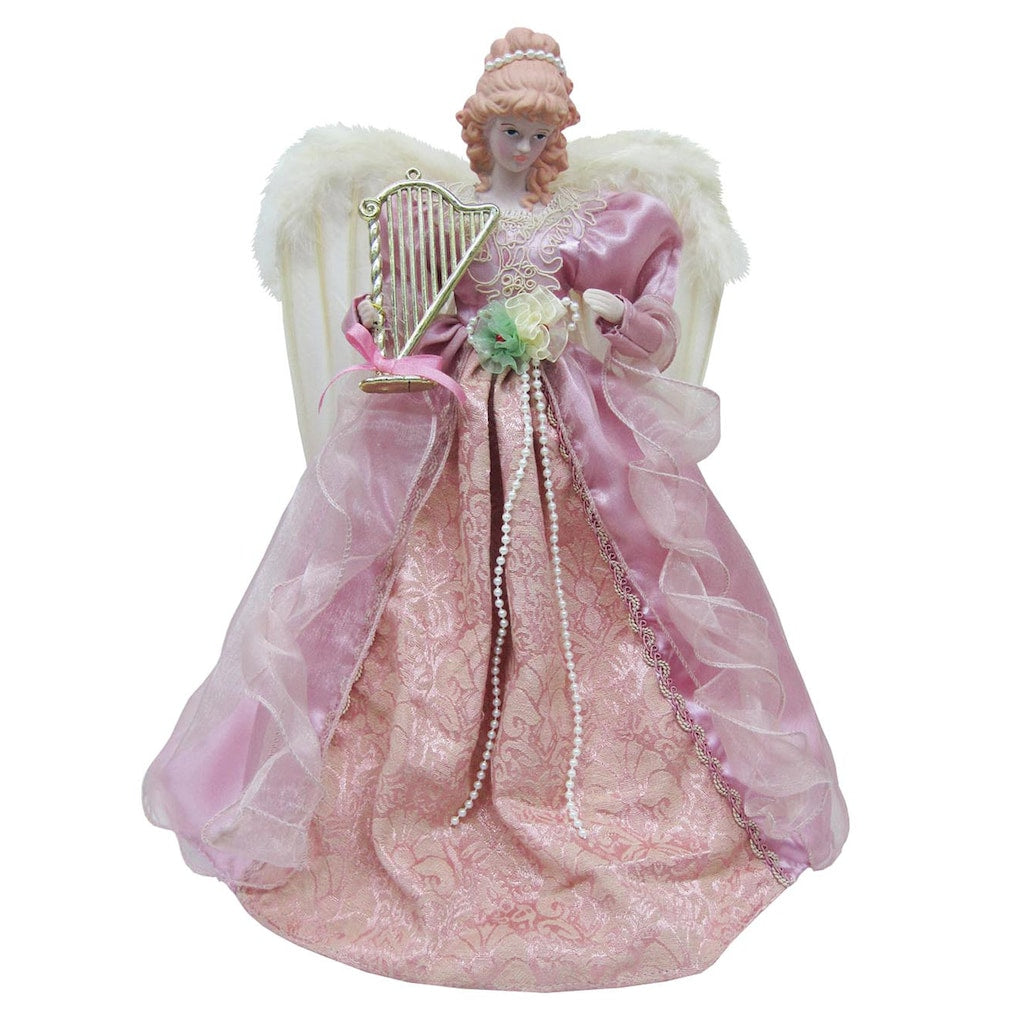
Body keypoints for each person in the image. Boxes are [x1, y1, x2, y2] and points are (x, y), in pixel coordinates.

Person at [144, 27, 848, 990]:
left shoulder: (595, 225)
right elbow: (404, 315)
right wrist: (395, 331)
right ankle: (418, 765)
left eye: (538, 132)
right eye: (509, 131)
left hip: (563, 420)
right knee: (420, 578)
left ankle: (585, 763)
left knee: (601, 580)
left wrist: (598, 318)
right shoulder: (442, 218)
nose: (523, 146)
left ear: (557, 135)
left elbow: (649, 326)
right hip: (456, 415)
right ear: (481, 133)